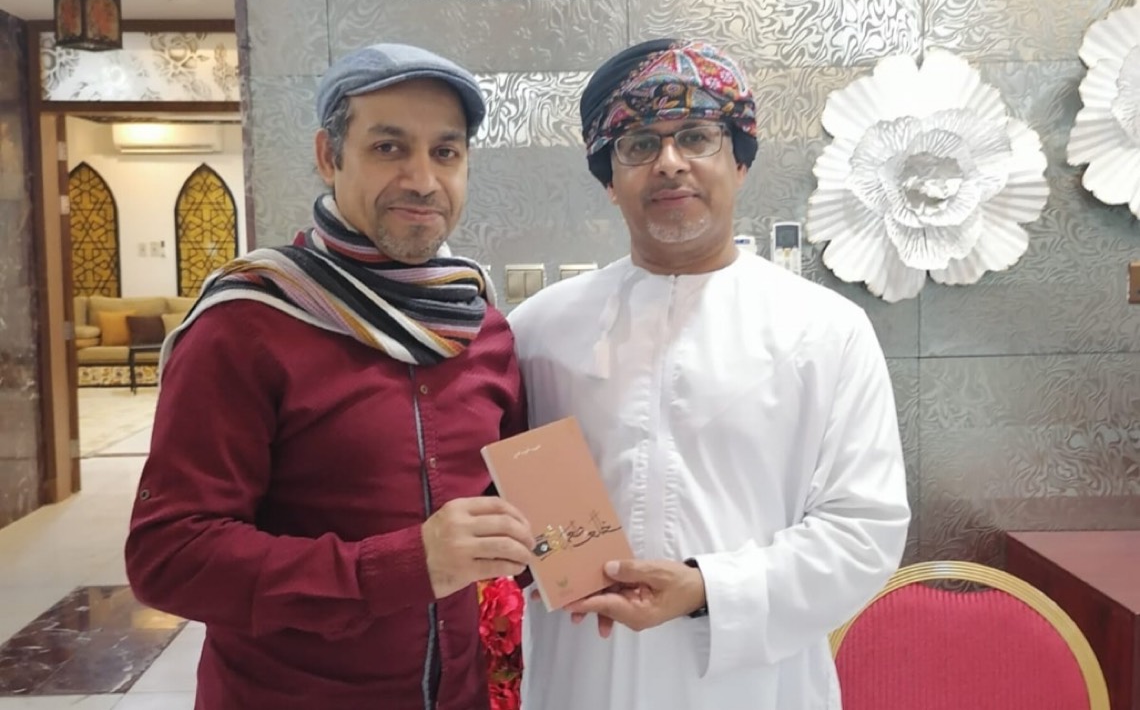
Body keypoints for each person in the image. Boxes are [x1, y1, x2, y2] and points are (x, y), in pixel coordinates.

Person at [124, 43, 535, 710]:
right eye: (388, 147)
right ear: (328, 155)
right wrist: (404, 566)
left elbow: (514, 504)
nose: (422, 179)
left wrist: (595, 570)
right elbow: (170, 556)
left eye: (445, 152)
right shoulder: (248, 324)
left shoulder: (481, 328)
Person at [507, 39, 911, 709]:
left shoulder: (825, 330)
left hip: (754, 686)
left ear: (739, 161)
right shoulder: (538, 331)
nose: (670, 163)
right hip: (584, 675)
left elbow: (863, 532)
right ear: (609, 179)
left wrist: (708, 589)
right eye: (639, 144)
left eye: (696, 136)